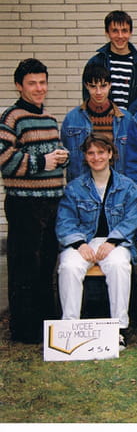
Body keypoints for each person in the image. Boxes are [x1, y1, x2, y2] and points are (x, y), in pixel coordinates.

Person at [0, 58, 68, 343]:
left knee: (46, 265)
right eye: (32, 83)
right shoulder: (12, 118)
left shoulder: (49, 119)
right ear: (19, 86)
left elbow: (52, 156)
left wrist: (62, 158)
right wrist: (43, 161)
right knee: (25, 266)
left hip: (51, 203)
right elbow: (4, 160)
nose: (39, 88)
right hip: (25, 204)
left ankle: (45, 324)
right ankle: (24, 329)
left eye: (42, 82)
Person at [56, 134, 137, 351]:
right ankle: (69, 328)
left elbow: (132, 218)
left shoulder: (127, 186)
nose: (96, 157)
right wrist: (79, 244)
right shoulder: (75, 188)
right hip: (83, 241)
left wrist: (113, 241)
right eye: (91, 153)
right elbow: (65, 221)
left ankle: (119, 328)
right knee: (69, 266)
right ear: (85, 156)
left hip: (115, 242)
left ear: (110, 154)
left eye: (101, 152)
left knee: (119, 266)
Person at [62, 63, 133, 181]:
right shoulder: (71, 119)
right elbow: (66, 157)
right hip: (82, 186)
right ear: (86, 86)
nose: (98, 92)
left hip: (118, 185)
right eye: (93, 86)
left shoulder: (127, 119)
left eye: (103, 86)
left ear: (110, 85)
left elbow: (134, 159)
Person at [82, 10, 137, 114]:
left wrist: (127, 116)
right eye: (115, 31)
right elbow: (88, 96)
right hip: (103, 120)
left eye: (124, 31)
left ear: (130, 33)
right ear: (107, 33)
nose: (120, 36)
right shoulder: (95, 63)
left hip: (134, 121)